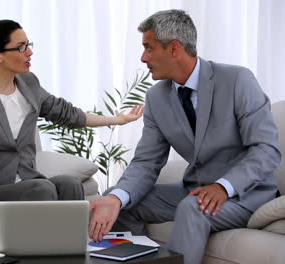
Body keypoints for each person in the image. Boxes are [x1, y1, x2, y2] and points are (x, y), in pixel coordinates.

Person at [88, 9, 281, 264]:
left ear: (174, 49)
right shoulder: (156, 98)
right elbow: (147, 162)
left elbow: (266, 149)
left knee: (194, 208)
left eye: (149, 48)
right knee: (119, 201)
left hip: (246, 194)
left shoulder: (237, 80)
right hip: (193, 190)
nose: (143, 57)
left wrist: (224, 186)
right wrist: (114, 198)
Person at [0, 19, 144, 201]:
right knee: (42, 188)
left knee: (70, 184)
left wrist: (117, 120)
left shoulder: (28, 83)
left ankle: (73, 237)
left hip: (27, 178)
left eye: (29, 45)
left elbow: (67, 114)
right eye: (21, 47)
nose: (29, 52)